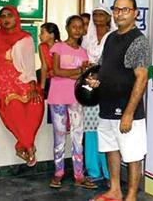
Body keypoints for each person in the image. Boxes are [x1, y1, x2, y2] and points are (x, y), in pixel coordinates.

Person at [87, 0, 150, 201]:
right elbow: (105, 68)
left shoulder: (138, 41)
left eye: (125, 10)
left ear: (135, 13)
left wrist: (129, 114)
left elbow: (141, 78)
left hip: (127, 110)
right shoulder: (111, 38)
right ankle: (115, 190)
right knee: (110, 148)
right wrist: (97, 80)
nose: (119, 14)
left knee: (132, 154)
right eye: (116, 9)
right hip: (106, 107)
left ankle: (131, 196)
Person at [0, 5, 43, 167]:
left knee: (36, 103)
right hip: (2, 80)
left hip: (23, 77)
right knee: (14, 106)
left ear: (16, 18)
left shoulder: (26, 37)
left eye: (9, 15)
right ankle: (29, 146)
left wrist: (32, 84)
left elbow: (30, 64)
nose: (6, 19)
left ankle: (22, 145)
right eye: (2, 16)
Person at [47, 15, 95, 189]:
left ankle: (78, 174)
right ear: (67, 28)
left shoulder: (83, 52)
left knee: (78, 134)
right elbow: (56, 71)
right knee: (59, 135)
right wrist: (77, 72)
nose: (77, 29)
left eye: (80, 27)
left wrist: (74, 73)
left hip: (76, 96)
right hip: (58, 96)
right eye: (73, 26)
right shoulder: (58, 47)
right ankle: (58, 172)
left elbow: (84, 76)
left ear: (84, 30)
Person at [81, 5, 116, 183]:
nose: (97, 17)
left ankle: (110, 174)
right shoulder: (88, 38)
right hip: (90, 86)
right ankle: (94, 171)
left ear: (109, 17)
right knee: (90, 129)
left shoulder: (113, 37)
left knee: (106, 129)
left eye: (101, 14)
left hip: (107, 86)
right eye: (95, 14)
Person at [38, 22, 60, 98]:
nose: (39, 35)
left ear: (52, 35)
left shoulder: (61, 46)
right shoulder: (41, 46)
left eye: (42, 33)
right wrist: (42, 88)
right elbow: (44, 67)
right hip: (49, 78)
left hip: (60, 77)